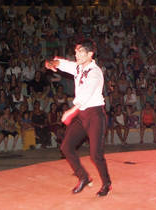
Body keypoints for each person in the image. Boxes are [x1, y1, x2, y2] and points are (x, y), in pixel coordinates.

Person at [45, 38, 111, 197]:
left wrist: (71, 111)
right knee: (66, 147)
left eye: (80, 52)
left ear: (90, 54)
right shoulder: (78, 68)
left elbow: (86, 97)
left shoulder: (95, 73)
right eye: (76, 52)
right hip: (82, 116)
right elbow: (61, 63)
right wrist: (51, 63)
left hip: (95, 115)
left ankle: (106, 183)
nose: (76, 55)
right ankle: (84, 177)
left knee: (95, 154)